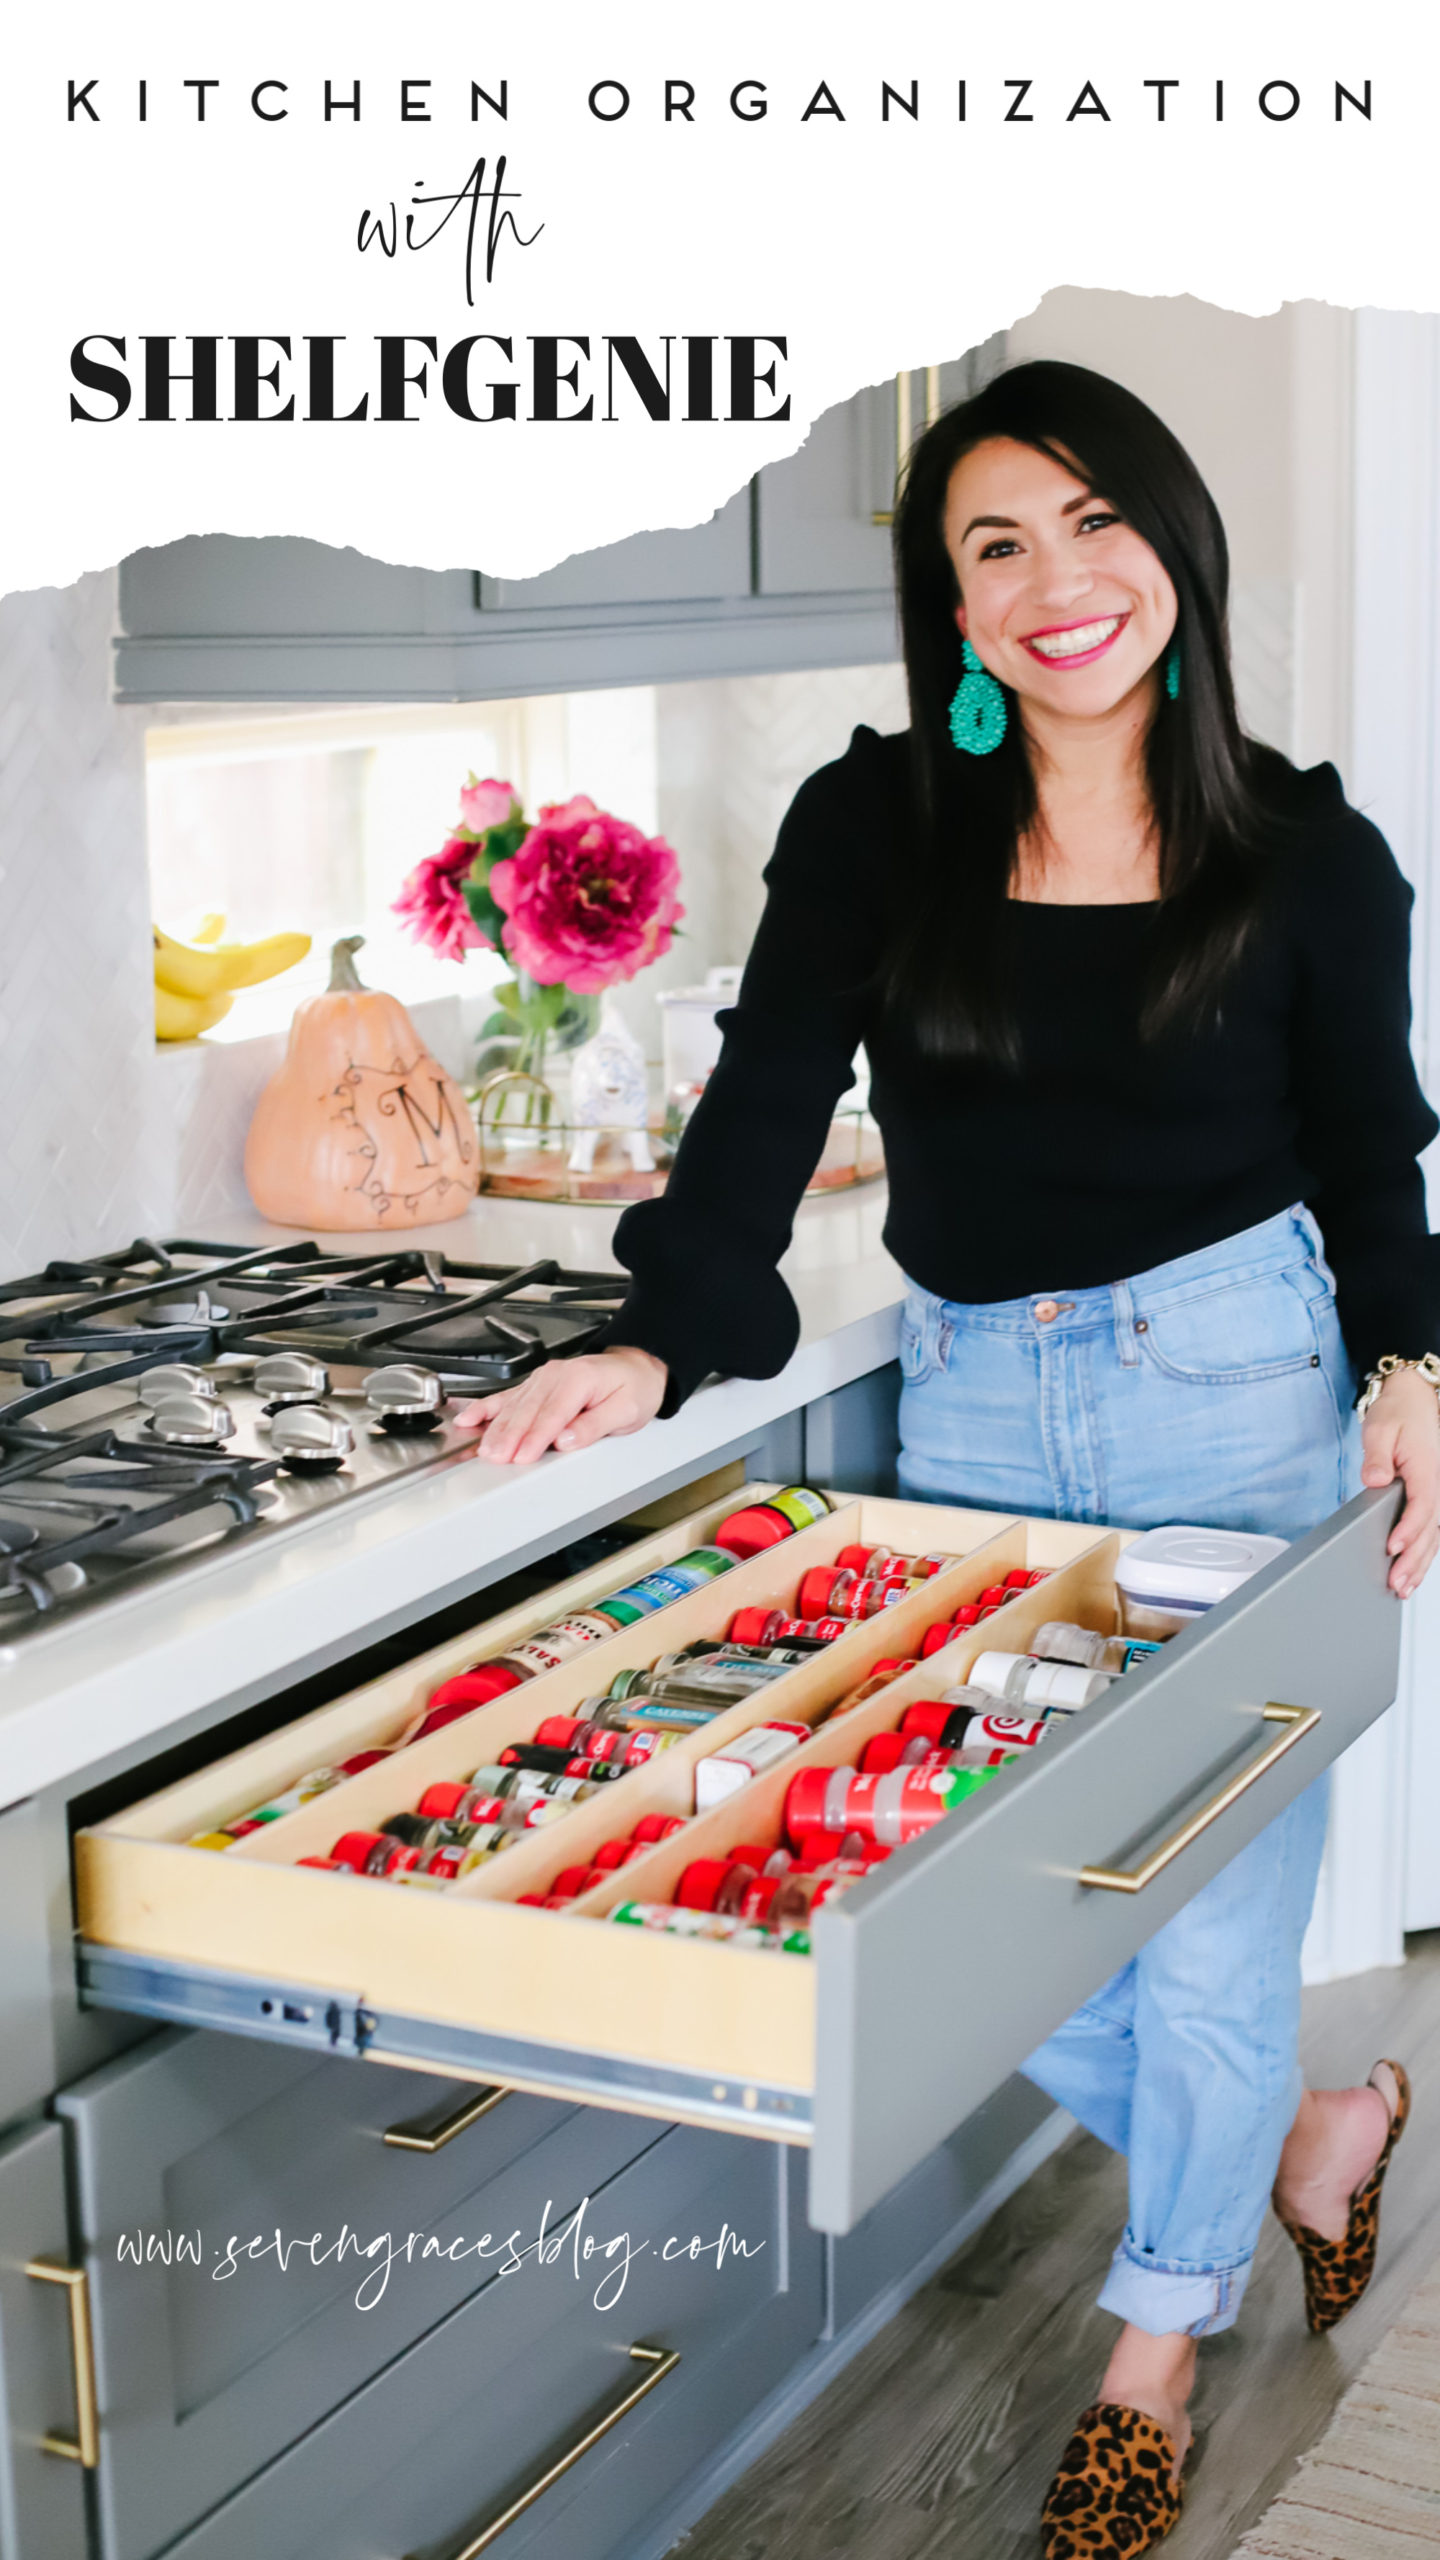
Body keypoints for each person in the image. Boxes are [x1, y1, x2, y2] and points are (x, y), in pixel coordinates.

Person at [464, 360, 1440, 2554]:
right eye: (995, 545)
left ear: (1171, 546)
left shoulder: (1307, 852)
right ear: (952, 605)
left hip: (1238, 1394)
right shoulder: (876, 822)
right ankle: (1308, 2133)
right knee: (984, 1927)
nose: (1056, 579)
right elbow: (767, 1090)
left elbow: (1375, 1158)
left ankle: (1154, 2351)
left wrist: (1418, 1362)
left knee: (1199, 1923)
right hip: (977, 1411)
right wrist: (655, 1328)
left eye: (1096, 521)